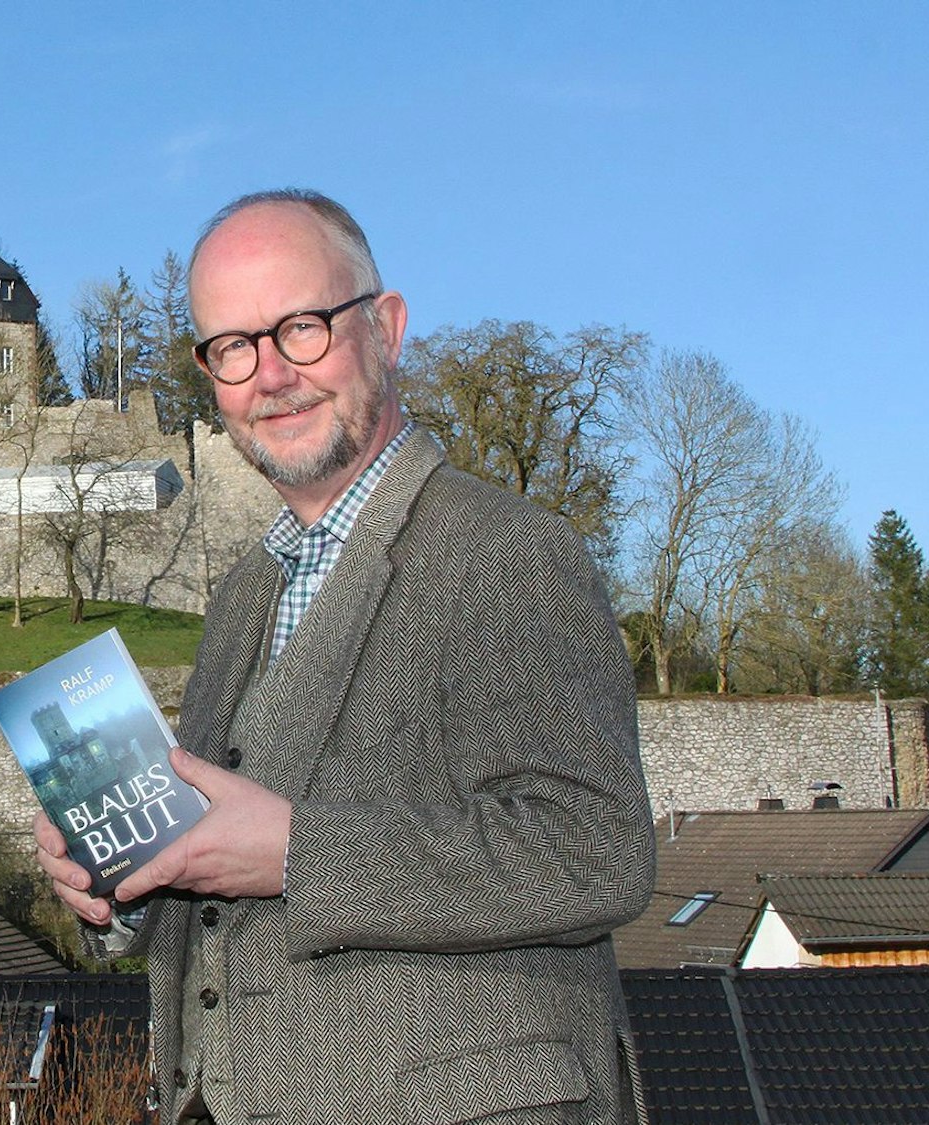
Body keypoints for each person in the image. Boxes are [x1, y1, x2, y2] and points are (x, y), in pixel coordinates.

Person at [34, 189, 655, 1124]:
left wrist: (293, 851)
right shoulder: (246, 592)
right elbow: (220, 898)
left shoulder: (505, 551)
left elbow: (596, 851)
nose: (271, 374)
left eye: (303, 327)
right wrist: (120, 887)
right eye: (233, 347)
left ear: (388, 326)